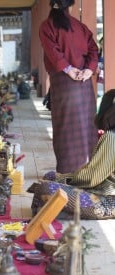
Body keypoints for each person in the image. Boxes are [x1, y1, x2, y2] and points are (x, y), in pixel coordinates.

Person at [30, 89, 115, 219]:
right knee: (50, 177)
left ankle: (62, 213)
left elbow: (92, 177)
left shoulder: (111, 138)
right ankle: (60, 212)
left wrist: (65, 179)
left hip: (107, 202)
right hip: (102, 191)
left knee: (45, 187)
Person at [39, 0, 99, 173]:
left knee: (65, 128)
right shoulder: (80, 27)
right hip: (84, 84)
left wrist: (68, 69)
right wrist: (88, 69)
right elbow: (93, 49)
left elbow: (52, 51)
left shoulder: (46, 26)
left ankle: (67, 171)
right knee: (87, 127)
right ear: (70, 6)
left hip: (64, 84)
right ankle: (89, 170)